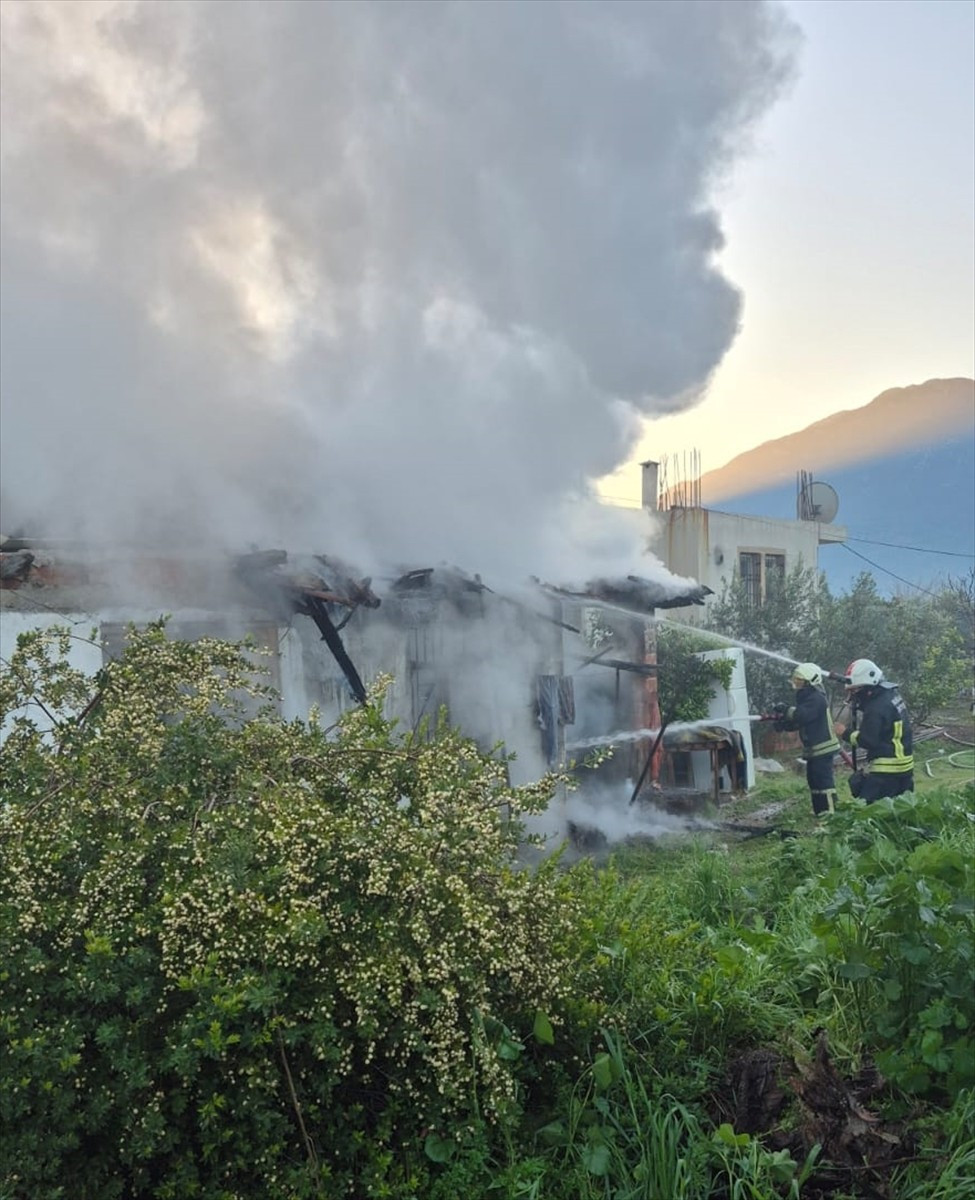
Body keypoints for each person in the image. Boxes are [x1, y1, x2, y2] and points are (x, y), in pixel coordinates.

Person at [839, 658, 914, 801]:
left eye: (855, 690)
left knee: (871, 814)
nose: (853, 694)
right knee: (901, 814)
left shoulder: (875, 708)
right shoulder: (891, 694)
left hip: (886, 772)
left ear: (868, 687)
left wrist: (845, 732)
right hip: (905, 769)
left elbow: (868, 740)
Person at [773, 662, 840, 817]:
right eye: (796, 679)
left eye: (800, 680)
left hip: (823, 749)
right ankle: (820, 812)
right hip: (814, 750)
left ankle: (830, 816)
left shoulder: (817, 698)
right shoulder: (806, 696)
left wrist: (786, 710)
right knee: (814, 782)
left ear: (811, 681)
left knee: (824, 783)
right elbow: (801, 721)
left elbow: (802, 715)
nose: (796, 683)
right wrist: (784, 725)